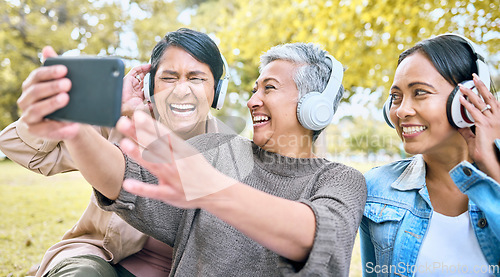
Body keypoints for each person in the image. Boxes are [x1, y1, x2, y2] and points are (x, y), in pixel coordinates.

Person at [22, 42, 367, 276]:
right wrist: (75, 127)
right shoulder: (220, 151)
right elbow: (127, 182)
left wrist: (211, 188)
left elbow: (315, 236)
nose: (252, 101)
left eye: (269, 88)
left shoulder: (341, 179)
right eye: (253, 89)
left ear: (314, 108)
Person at [0, 27, 229, 277]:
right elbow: (15, 144)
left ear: (217, 90)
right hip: (97, 258)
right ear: (151, 84)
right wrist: (109, 106)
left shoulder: (231, 154)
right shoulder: (122, 123)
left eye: (196, 78)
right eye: (169, 78)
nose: (182, 89)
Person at [360, 34, 500, 277]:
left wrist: (494, 168)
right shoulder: (375, 188)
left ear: (467, 98)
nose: (402, 111)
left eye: (420, 92)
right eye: (396, 97)